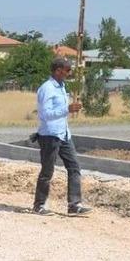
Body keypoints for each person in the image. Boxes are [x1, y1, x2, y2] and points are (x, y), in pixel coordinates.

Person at [32, 58, 92, 216]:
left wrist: (68, 110)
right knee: (47, 172)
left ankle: (74, 205)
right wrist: (67, 109)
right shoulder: (47, 88)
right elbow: (45, 114)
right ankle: (39, 205)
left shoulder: (61, 87)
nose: (69, 73)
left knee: (74, 167)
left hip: (64, 134)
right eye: (67, 70)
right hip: (49, 135)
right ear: (58, 70)